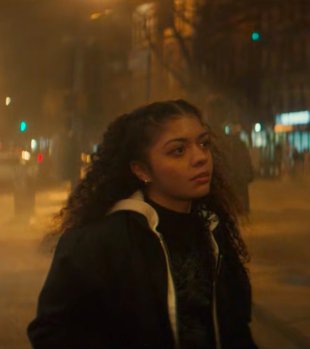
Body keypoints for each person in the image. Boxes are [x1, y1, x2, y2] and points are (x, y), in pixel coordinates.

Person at [28, 100, 257, 349]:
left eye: (204, 144)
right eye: (178, 151)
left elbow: (235, 327)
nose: (200, 157)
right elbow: (52, 334)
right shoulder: (98, 244)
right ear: (141, 170)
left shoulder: (213, 232)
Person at [223, 126, 254, 214]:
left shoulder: (232, 145)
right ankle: (244, 208)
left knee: (238, 191)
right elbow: (247, 159)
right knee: (243, 191)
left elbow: (232, 159)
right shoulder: (241, 145)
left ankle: (240, 208)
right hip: (241, 172)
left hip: (237, 172)